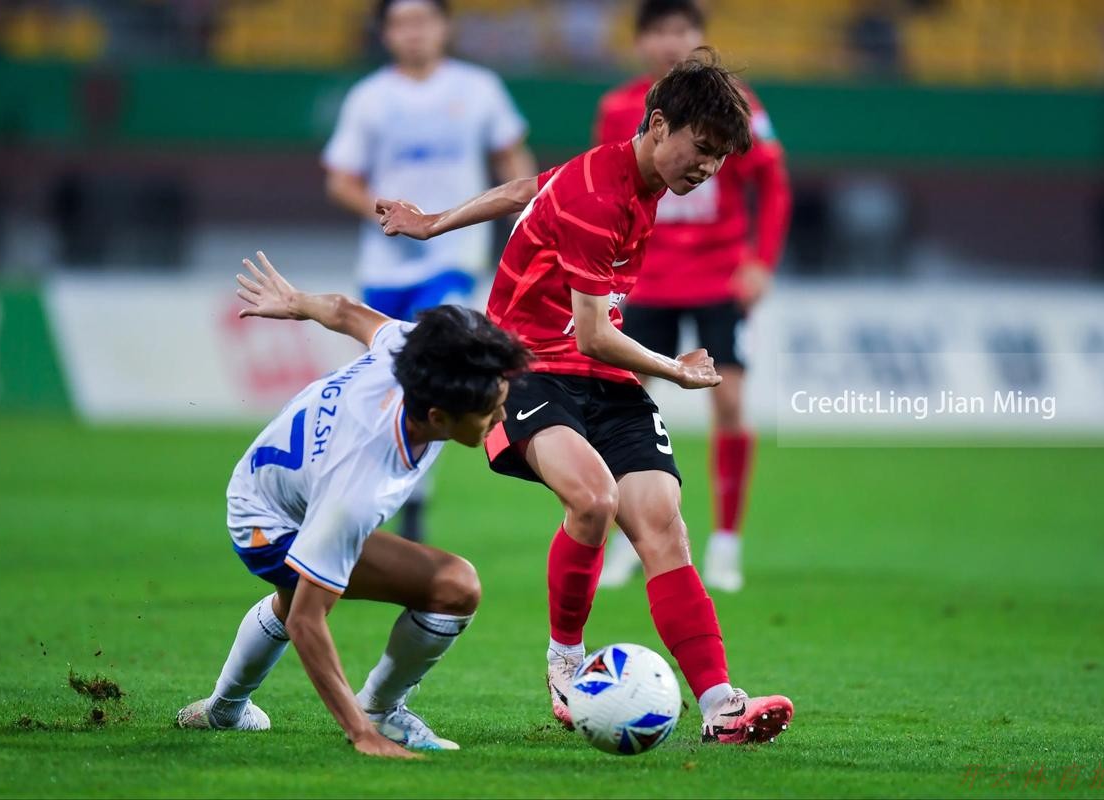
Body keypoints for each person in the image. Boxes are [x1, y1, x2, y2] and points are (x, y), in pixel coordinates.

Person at [376, 49, 794, 745]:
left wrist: (432, 222)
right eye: (702, 148)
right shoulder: (600, 199)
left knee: (662, 521)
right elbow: (597, 335)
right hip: (528, 367)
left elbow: (523, 193)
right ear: (660, 125)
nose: (709, 168)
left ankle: (721, 703)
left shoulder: (627, 174)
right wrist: (676, 368)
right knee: (595, 499)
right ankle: (565, 662)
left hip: (600, 377)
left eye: (722, 157)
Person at [176, 252, 530, 757]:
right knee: (453, 587)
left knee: (297, 591)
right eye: (489, 408)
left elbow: (344, 310)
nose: (501, 411)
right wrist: (359, 735)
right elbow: (306, 622)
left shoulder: (411, 354)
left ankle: (224, 711)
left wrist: (297, 302)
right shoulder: (362, 482)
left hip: (278, 483)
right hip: (267, 525)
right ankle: (378, 716)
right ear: (437, 416)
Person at [591, 0, 792, 593]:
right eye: (657, 32)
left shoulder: (740, 105)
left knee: (729, 403)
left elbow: (773, 184)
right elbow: (608, 186)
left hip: (717, 279)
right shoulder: (618, 108)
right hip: (646, 279)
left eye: (681, 30)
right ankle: (629, 538)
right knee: (621, 405)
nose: (669, 42)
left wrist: (761, 262)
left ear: (699, 37)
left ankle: (726, 543)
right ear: (640, 43)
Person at [322, 0, 536, 543]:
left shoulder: (478, 88)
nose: (413, 33)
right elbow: (340, 179)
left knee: (436, 364)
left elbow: (513, 160)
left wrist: (528, 215)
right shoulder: (369, 97)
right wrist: (384, 210)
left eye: (423, 21)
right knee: (385, 379)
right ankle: (374, 491)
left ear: (445, 27)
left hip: (452, 255)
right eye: (401, 23)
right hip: (384, 261)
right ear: (387, 33)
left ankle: (413, 500)